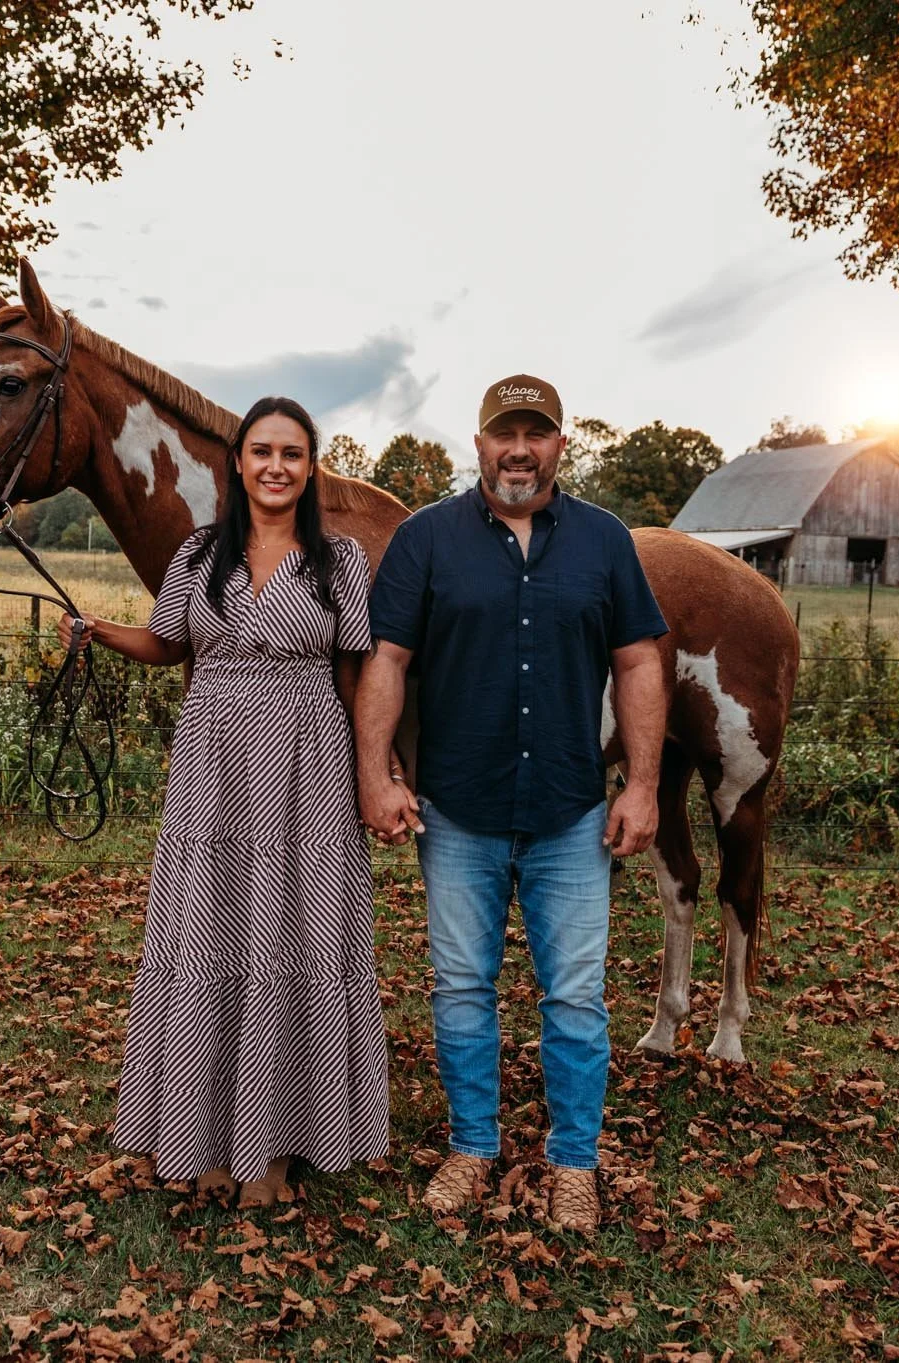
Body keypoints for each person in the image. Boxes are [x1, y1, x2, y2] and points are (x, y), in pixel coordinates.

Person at [353, 374, 667, 1235]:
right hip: (458, 807)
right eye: (504, 433)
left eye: (537, 432)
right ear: (480, 441)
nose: (519, 449)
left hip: (571, 810)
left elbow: (640, 661)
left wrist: (641, 784)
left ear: (561, 443)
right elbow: (387, 660)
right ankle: (472, 1146)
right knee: (461, 987)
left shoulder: (604, 541)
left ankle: (574, 1162)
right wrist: (375, 772)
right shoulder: (426, 540)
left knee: (575, 995)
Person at [59, 395, 389, 1206]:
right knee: (212, 932)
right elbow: (168, 644)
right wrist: (99, 630)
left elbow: (355, 673)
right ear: (237, 462)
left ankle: (277, 1146)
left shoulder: (338, 560)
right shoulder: (198, 553)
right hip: (212, 765)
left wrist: (369, 774)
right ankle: (202, 1131)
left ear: (310, 469)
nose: (276, 466)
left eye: (293, 454)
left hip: (308, 760)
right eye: (262, 451)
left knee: (292, 933)